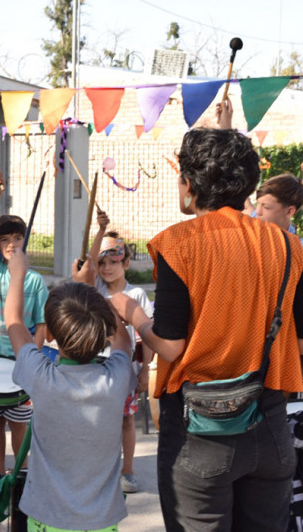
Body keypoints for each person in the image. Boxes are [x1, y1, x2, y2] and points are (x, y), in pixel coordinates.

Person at [111, 126, 303, 531]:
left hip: (200, 431)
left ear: (189, 182)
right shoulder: (288, 246)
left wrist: (132, 313)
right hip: (270, 425)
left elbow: (170, 346)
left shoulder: (179, 244)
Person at [6, 248, 135, 531]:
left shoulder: (41, 377)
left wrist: (18, 273)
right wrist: (91, 290)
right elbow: (123, 343)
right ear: (104, 328)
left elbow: (14, 321)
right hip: (102, 520)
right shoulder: (116, 378)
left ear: (50, 335)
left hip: (46, 517)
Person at [0, 168, 48, 500]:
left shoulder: (34, 281)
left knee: (18, 422)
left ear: (24, 241)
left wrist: (31, 361)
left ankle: (20, 476)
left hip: (17, 358)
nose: (9, 244)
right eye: (4, 240)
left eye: (16, 239)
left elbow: (42, 327)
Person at [91, 229, 154, 494]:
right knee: (95, 421)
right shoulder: (94, 291)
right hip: (95, 367)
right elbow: (88, 259)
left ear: (125, 263)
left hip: (125, 369)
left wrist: (144, 372)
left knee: (126, 420)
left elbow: (147, 336)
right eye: (102, 262)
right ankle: (99, 472)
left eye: (113, 261)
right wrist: (99, 231)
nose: (107, 268)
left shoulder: (136, 294)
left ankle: (127, 471)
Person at [254, 173, 303, 239]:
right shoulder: (253, 220)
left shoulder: (297, 248)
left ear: (289, 211)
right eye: (258, 204)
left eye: (266, 207)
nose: (258, 212)